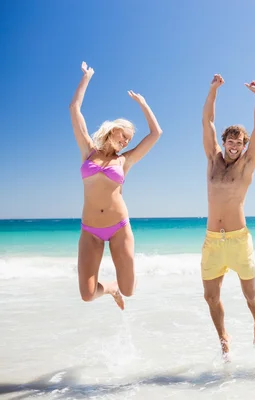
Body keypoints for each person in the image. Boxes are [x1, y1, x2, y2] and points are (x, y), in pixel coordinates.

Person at [70, 61, 163, 310]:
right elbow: (74, 108)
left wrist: (143, 104)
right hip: (90, 230)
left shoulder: (125, 160)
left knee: (130, 291)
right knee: (87, 295)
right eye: (123, 135)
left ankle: (119, 288)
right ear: (112, 130)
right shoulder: (88, 151)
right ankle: (109, 288)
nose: (125, 141)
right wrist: (87, 77)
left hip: (119, 227)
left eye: (129, 139)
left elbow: (156, 134)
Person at [201, 74, 255, 357]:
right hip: (213, 240)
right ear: (224, 141)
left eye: (239, 142)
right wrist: (213, 90)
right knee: (210, 297)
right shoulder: (213, 160)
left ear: (244, 145)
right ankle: (223, 338)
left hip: (239, 240)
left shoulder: (247, 166)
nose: (233, 145)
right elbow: (208, 123)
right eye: (229, 140)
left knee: (250, 295)